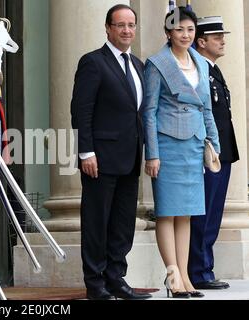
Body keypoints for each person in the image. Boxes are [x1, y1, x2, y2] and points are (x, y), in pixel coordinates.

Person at [71, 4, 150, 300]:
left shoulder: (138, 65)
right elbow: (81, 111)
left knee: (122, 224)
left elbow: (138, 112)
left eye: (131, 25)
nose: (127, 30)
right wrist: (86, 153)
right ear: (108, 28)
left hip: (130, 158)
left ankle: (116, 279)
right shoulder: (93, 62)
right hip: (100, 160)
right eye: (120, 25)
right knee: (96, 222)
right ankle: (96, 284)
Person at [143, 7, 221, 298]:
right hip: (167, 146)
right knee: (167, 213)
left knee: (186, 214)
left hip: (194, 145)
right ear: (168, 32)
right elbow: (148, 112)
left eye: (190, 29)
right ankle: (172, 276)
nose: (185, 35)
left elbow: (207, 109)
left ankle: (186, 276)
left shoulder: (200, 62)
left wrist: (214, 142)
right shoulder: (157, 64)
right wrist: (152, 154)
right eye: (179, 29)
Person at [188, 16, 239, 290]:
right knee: (203, 213)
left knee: (214, 213)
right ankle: (198, 271)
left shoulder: (212, 69)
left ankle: (205, 268)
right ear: (201, 41)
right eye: (217, 36)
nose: (222, 40)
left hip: (222, 150)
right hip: (208, 151)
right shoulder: (197, 70)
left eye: (223, 35)